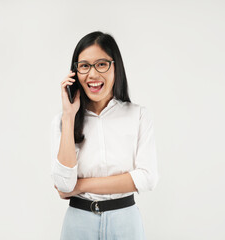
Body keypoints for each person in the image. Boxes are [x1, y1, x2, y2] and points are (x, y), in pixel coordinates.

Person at [50, 31, 159, 240]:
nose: (92, 74)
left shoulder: (138, 116)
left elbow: (147, 177)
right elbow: (64, 185)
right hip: (79, 222)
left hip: (125, 221)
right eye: (84, 66)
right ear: (75, 72)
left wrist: (79, 186)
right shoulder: (63, 121)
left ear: (115, 66)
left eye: (101, 64)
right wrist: (69, 115)